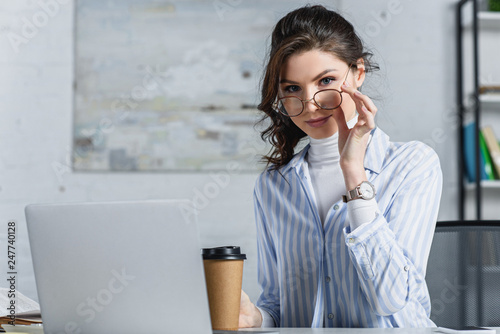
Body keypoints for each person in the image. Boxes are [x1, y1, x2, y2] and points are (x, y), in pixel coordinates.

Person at [238, 5, 443, 328]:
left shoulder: (412, 165)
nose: (310, 104)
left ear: (358, 73)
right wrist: (255, 318)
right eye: (292, 88)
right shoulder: (274, 185)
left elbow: (390, 300)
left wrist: (353, 171)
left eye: (326, 81)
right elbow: (278, 305)